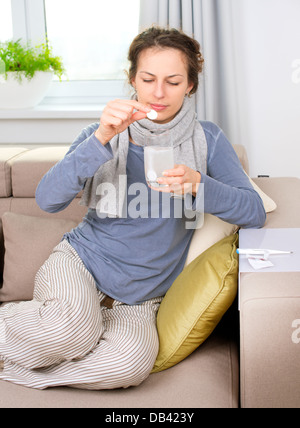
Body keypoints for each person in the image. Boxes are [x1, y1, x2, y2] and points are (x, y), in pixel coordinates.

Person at [0, 27, 266, 390]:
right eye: (148, 79)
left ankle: (18, 367)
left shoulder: (208, 139)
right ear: (132, 81)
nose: (158, 93)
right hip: (82, 264)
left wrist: (198, 185)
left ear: (190, 85)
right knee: (68, 331)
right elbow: (48, 199)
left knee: (129, 366)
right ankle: (51, 327)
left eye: (173, 81)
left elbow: (253, 211)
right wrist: (102, 139)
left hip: (144, 297)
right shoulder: (102, 132)